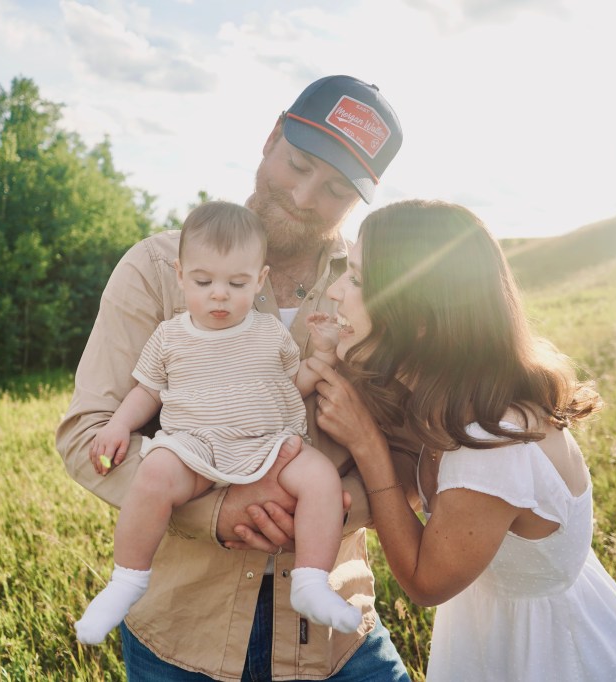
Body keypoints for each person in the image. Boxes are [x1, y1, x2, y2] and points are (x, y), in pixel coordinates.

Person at [56, 75, 411, 680]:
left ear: (359, 200)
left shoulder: (378, 285)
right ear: (272, 137)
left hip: (337, 636)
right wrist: (219, 511)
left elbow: (412, 455)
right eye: (297, 164)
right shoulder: (156, 268)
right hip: (181, 636)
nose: (302, 197)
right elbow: (87, 435)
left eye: (334, 189)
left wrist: (329, 508)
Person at [307, 200, 616, 681]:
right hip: (492, 620)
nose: (336, 291)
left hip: (545, 652)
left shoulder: (492, 442)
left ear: (419, 317)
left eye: (358, 279)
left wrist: (367, 444)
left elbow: (425, 583)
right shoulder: (447, 394)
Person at [74, 201, 361, 644]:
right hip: (195, 448)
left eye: (237, 283)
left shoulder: (268, 332)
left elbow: (291, 385)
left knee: (321, 476)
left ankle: (311, 582)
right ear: (180, 275)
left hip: (269, 445)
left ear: (260, 279)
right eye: (203, 282)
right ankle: (127, 579)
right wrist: (117, 425)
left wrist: (322, 355)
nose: (220, 295)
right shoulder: (170, 335)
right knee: (154, 473)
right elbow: (147, 391)